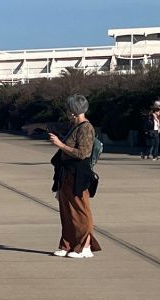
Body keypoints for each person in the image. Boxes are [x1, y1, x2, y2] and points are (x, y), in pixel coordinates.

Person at [48, 95, 103, 258]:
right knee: (66, 210)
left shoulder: (86, 128)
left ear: (73, 111)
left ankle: (84, 245)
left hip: (78, 173)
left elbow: (83, 153)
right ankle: (67, 244)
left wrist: (60, 145)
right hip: (66, 173)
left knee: (80, 210)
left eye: (69, 110)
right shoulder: (75, 126)